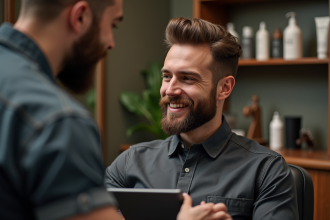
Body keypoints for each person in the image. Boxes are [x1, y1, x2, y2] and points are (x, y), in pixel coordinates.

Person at [0, 1, 223, 219]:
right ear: (80, 17)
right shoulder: (59, 122)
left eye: (187, 78)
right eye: (113, 25)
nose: (111, 43)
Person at [105, 17, 299, 219]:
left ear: (224, 88)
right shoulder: (128, 165)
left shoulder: (267, 172)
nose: (170, 90)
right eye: (167, 76)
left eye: (188, 78)